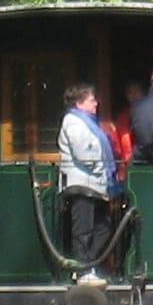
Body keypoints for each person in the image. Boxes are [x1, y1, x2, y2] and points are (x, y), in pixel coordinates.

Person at [57, 82, 117, 272]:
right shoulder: (73, 121)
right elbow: (84, 153)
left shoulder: (88, 122)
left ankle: (88, 264)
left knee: (104, 227)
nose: (96, 103)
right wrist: (102, 169)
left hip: (95, 185)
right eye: (92, 100)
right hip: (83, 185)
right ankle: (81, 271)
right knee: (83, 230)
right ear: (79, 103)